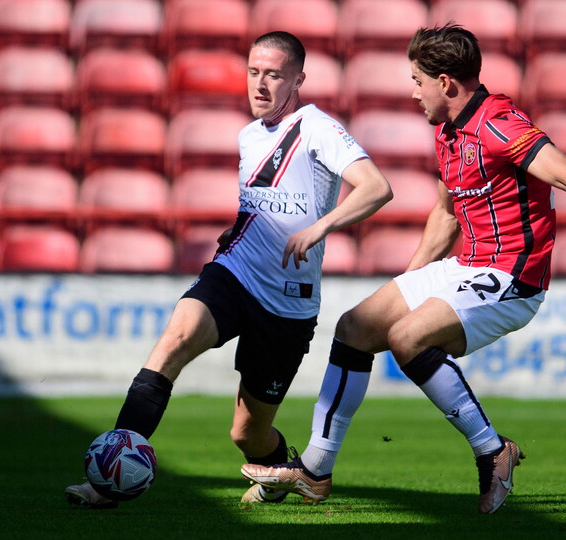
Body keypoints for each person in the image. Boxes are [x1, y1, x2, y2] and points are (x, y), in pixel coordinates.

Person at [241, 24, 566, 514]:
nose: (413, 92)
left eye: (418, 81)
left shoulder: (499, 125)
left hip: (512, 277)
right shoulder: (448, 131)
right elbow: (446, 214)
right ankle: (316, 470)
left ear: (445, 83)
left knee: (407, 338)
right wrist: (410, 281)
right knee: (355, 327)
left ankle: (492, 450)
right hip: (467, 266)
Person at [65, 31, 393, 508]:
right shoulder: (248, 136)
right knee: (174, 340)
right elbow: (261, 203)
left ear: (298, 79)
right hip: (234, 274)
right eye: (253, 72)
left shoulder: (317, 128)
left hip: (287, 304)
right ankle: (107, 482)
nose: (260, 84)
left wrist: (320, 227)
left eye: (274, 75)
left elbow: (377, 187)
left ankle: (280, 474)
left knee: (247, 434)